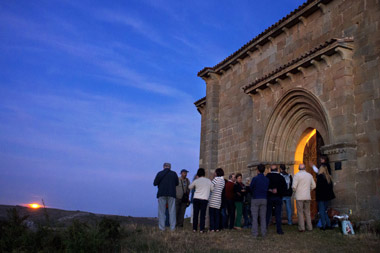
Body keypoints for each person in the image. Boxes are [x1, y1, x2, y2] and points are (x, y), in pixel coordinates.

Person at [153, 162, 179, 231]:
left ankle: (162, 228)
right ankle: (172, 228)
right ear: (170, 167)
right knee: (172, 211)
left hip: (161, 194)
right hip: (172, 194)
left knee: (161, 211)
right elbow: (177, 183)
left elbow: (155, 183)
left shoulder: (160, 173)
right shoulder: (174, 174)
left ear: (163, 167)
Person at [292, 163, 316, 232]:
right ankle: (309, 227)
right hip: (307, 196)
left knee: (300, 212)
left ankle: (302, 228)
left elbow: (294, 187)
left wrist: (296, 191)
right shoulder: (309, 175)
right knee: (307, 212)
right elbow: (314, 185)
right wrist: (309, 189)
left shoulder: (297, 175)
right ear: (305, 168)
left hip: (299, 197)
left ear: (299, 168)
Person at [189, 168, 214, 233]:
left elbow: (190, 187)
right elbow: (212, 189)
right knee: (203, 215)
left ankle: (194, 229)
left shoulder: (196, 180)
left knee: (195, 214)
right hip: (204, 199)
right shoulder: (208, 181)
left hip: (196, 198)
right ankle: (201, 229)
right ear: (204, 173)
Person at [266, 165, 287, 235]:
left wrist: (270, 190)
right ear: (277, 170)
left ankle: (265, 228)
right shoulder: (281, 177)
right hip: (278, 197)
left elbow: (265, 186)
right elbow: (284, 187)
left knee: (268, 213)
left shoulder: (267, 177)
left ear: (270, 170)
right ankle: (279, 230)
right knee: (278, 214)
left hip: (270, 197)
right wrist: (278, 191)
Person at [250, 164, 269, 238]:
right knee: (263, 217)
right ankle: (263, 232)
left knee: (254, 217)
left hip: (255, 198)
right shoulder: (267, 179)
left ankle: (255, 233)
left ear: (257, 170)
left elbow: (251, 187)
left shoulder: (255, 179)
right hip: (264, 198)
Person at [316, 165, 335, 230]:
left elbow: (319, 188)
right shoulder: (328, 178)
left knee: (322, 211)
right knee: (324, 211)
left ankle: (324, 225)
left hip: (321, 197)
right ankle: (329, 224)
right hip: (327, 197)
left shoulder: (320, 177)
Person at [209, 168, 225, 232]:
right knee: (217, 215)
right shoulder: (223, 181)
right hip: (218, 200)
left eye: (215, 172)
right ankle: (217, 228)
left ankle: (212, 228)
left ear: (217, 173)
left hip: (213, 199)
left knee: (212, 215)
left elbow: (211, 186)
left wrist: (211, 179)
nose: (214, 173)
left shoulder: (215, 179)